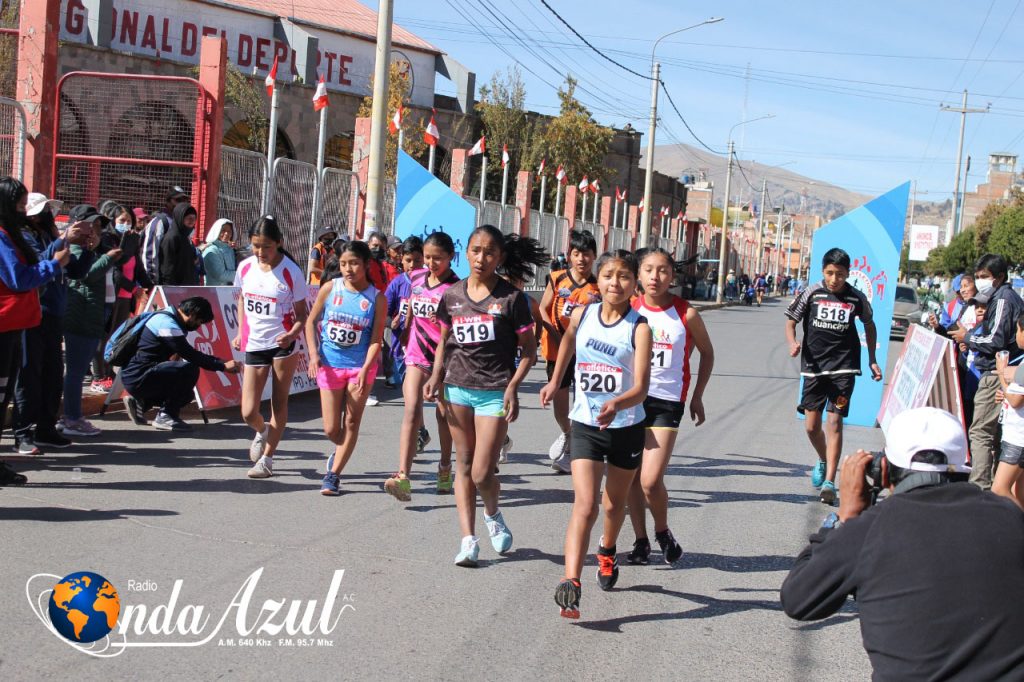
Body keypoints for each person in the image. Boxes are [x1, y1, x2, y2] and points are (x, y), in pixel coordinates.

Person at [780, 407, 1024, 679]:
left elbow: (798, 599)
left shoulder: (868, 530)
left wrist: (843, 519)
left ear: (883, 470)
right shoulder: (1011, 516)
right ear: (963, 467)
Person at [424, 225, 546, 566]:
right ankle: (468, 540)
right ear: (467, 253)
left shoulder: (511, 299)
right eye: (476, 250)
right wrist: (436, 376)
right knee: (463, 465)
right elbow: (444, 343)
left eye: (490, 252)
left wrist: (513, 387)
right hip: (457, 389)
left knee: (481, 471)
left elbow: (530, 352)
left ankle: (493, 514)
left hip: (494, 392)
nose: (482, 258)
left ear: (500, 258)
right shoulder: (453, 296)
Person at [540, 250, 652, 619]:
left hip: (625, 427)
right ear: (598, 280)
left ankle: (607, 549)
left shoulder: (639, 328)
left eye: (622, 276)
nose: (614, 283)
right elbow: (568, 342)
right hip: (586, 423)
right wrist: (556, 381)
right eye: (607, 275)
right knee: (585, 504)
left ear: (633, 284)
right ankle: (571, 581)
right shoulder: (583, 312)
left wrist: (617, 404)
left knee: (612, 504)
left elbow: (641, 389)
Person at [625, 248, 715, 567]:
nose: (655, 276)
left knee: (650, 480)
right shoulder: (629, 309)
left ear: (672, 276)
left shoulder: (685, 313)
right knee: (630, 480)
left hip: (667, 401)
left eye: (662, 270)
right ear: (638, 274)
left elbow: (707, 353)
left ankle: (662, 531)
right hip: (631, 401)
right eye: (648, 269)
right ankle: (640, 541)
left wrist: (698, 395)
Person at [785, 248, 882, 505]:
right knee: (811, 426)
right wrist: (792, 342)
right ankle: (823, 458)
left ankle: (829, 481)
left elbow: (869, 325)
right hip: (814, 370)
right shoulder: (813, 292)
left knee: (835, 422)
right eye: (830, 273)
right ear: (823, 271)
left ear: (848, 274)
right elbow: (791, 320)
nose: (834, 279)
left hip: (844, 371)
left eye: (840, 274)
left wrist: (872, 359)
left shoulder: (856, 298)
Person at [0, 179, 70, 482]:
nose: (23, 210)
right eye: (19, 204)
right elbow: (18, 279)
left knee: (4, 395)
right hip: (5, 326)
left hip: (17, 324)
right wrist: (53, 265)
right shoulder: (2, 237)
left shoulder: (14, 235)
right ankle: (22, 433)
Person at [306, 240, 386, 496]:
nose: (348, 269)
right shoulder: (330, 288)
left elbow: (376, 340)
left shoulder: (377, 299)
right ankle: (339, 451)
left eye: (353, 263)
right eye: (343, 264)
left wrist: (365, 369)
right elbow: (310, 322)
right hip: (330, 365)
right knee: (331, 429)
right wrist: (313, 354)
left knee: (351, 422)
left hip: (359, 369)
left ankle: (333, 475)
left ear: (366, 265)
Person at [13, 193, 92, 452]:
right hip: (34, 312)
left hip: (55, 312)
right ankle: (23, 431)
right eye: (41, 210)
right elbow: (38, 266)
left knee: (53, 374)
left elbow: (73, 270)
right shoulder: (22, 237)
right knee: (29, 374)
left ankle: (46, 427)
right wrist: (61, 240)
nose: (45, 214)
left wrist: (87, 248)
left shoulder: (47, 235)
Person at [233, 216, 309, 479]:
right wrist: (240, 331)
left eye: (266, 246)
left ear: (279, 243)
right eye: (256, 246)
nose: (260, 252)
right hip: (255, 343)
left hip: (282, 345)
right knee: (247, 411)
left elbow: (302, 315)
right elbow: (242, 299)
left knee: (279, 402)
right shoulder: (244, 267)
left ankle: (267, 459)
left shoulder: (291, 272)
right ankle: (262, 431)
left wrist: (290, 335)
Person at [385, 232, 458, 500]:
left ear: (451, 257)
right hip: (416, 354)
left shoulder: (455, 289)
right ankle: (403, 476)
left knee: (443, 416)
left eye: (437, 258)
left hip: (446, 359)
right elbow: (412, 311)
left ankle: (445, 466)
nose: (430, 263)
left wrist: (439, 372)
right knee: (412, 410)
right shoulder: (416, 279)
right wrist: (403, 331)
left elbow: (451, 332)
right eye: (427, 257)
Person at [950, 254, 1024, 490]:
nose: (981, 281)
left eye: (985, 277)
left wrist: (968, 337)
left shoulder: (1003, 298)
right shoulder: (997, 297)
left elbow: (996, 339)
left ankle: (979, 488)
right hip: (997, 373)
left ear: (1000, 277)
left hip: (997, 373)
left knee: (981, 432)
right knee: (992, 435)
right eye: (978, 276)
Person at [121, 296, 240, 430]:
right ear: (193, 315)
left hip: (140, 373)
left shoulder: (170, 318)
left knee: (187, 395)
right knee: (190, 369)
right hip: (138, 375)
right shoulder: (166, 324)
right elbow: (190, 354)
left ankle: (141, 403)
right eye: (199, 322)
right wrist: (222, 365)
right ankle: (166, 416)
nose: (199, 326)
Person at [538, 229, 599, 473]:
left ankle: (576, 450)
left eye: (587, 254)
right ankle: (567, 433)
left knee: (582, 402)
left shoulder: (599, 286)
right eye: (577, 253)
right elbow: (542, 309)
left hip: (586, 354)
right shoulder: (556, 278)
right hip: (556, 350)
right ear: (570, 255)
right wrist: (553, 333)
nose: (582, 259)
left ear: (595, 256)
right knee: (560, 406)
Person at [63, 206, 124, 437]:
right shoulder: (76, 249)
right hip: (81, 316)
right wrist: (106, 259)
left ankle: (73, 416)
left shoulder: (95, 250)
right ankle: (71, 417)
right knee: (76, 372)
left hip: (94, 314)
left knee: (77, 370)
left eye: (100, 226)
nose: (97, 231)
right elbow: (85, 275)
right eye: (93, 226)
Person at [993, 313, 1024, 508]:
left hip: (1018, 439)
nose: (1016, 335)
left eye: (1018, 331)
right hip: (1015, 436)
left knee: (999, 489)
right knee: (1018, 492)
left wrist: (1002, 374)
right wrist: (1004, 392)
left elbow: (1015, 400)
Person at [382, 236, 422, 390]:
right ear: (402, 260)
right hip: (401, 344)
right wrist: (390, 323)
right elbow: (384, 312)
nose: (412, 265)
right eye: (408, 260)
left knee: (415, 393)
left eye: (417, 260)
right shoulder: (397, 284)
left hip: (423, 347)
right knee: (404, 391)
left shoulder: (431, 284)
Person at [142, 185, 188, 282]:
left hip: (179, 282)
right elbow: (150, 255)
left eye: (184, 200)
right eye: (178, 200)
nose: (182, 203)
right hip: (163, 283)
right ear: (167, 202)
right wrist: (152, 282)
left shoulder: (183, 223)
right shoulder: (159, 222)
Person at [158, 203, 200, 286]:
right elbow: (167, 268)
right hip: (175, 289)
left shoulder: (185, 237)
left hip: (187, 288)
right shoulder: (172, 238)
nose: (192, 221)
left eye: (194, 218)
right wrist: (170, 290)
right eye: (188, 218)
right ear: (180, 218)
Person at [201, 219, 236, 286]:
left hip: (226, 291)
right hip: (213, 292)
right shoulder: (211, 251)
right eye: (223, 230)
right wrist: (241, 274)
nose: (226, 233)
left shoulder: (229, 249)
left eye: (229, 231)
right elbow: (220, 275)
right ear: (216, 231)